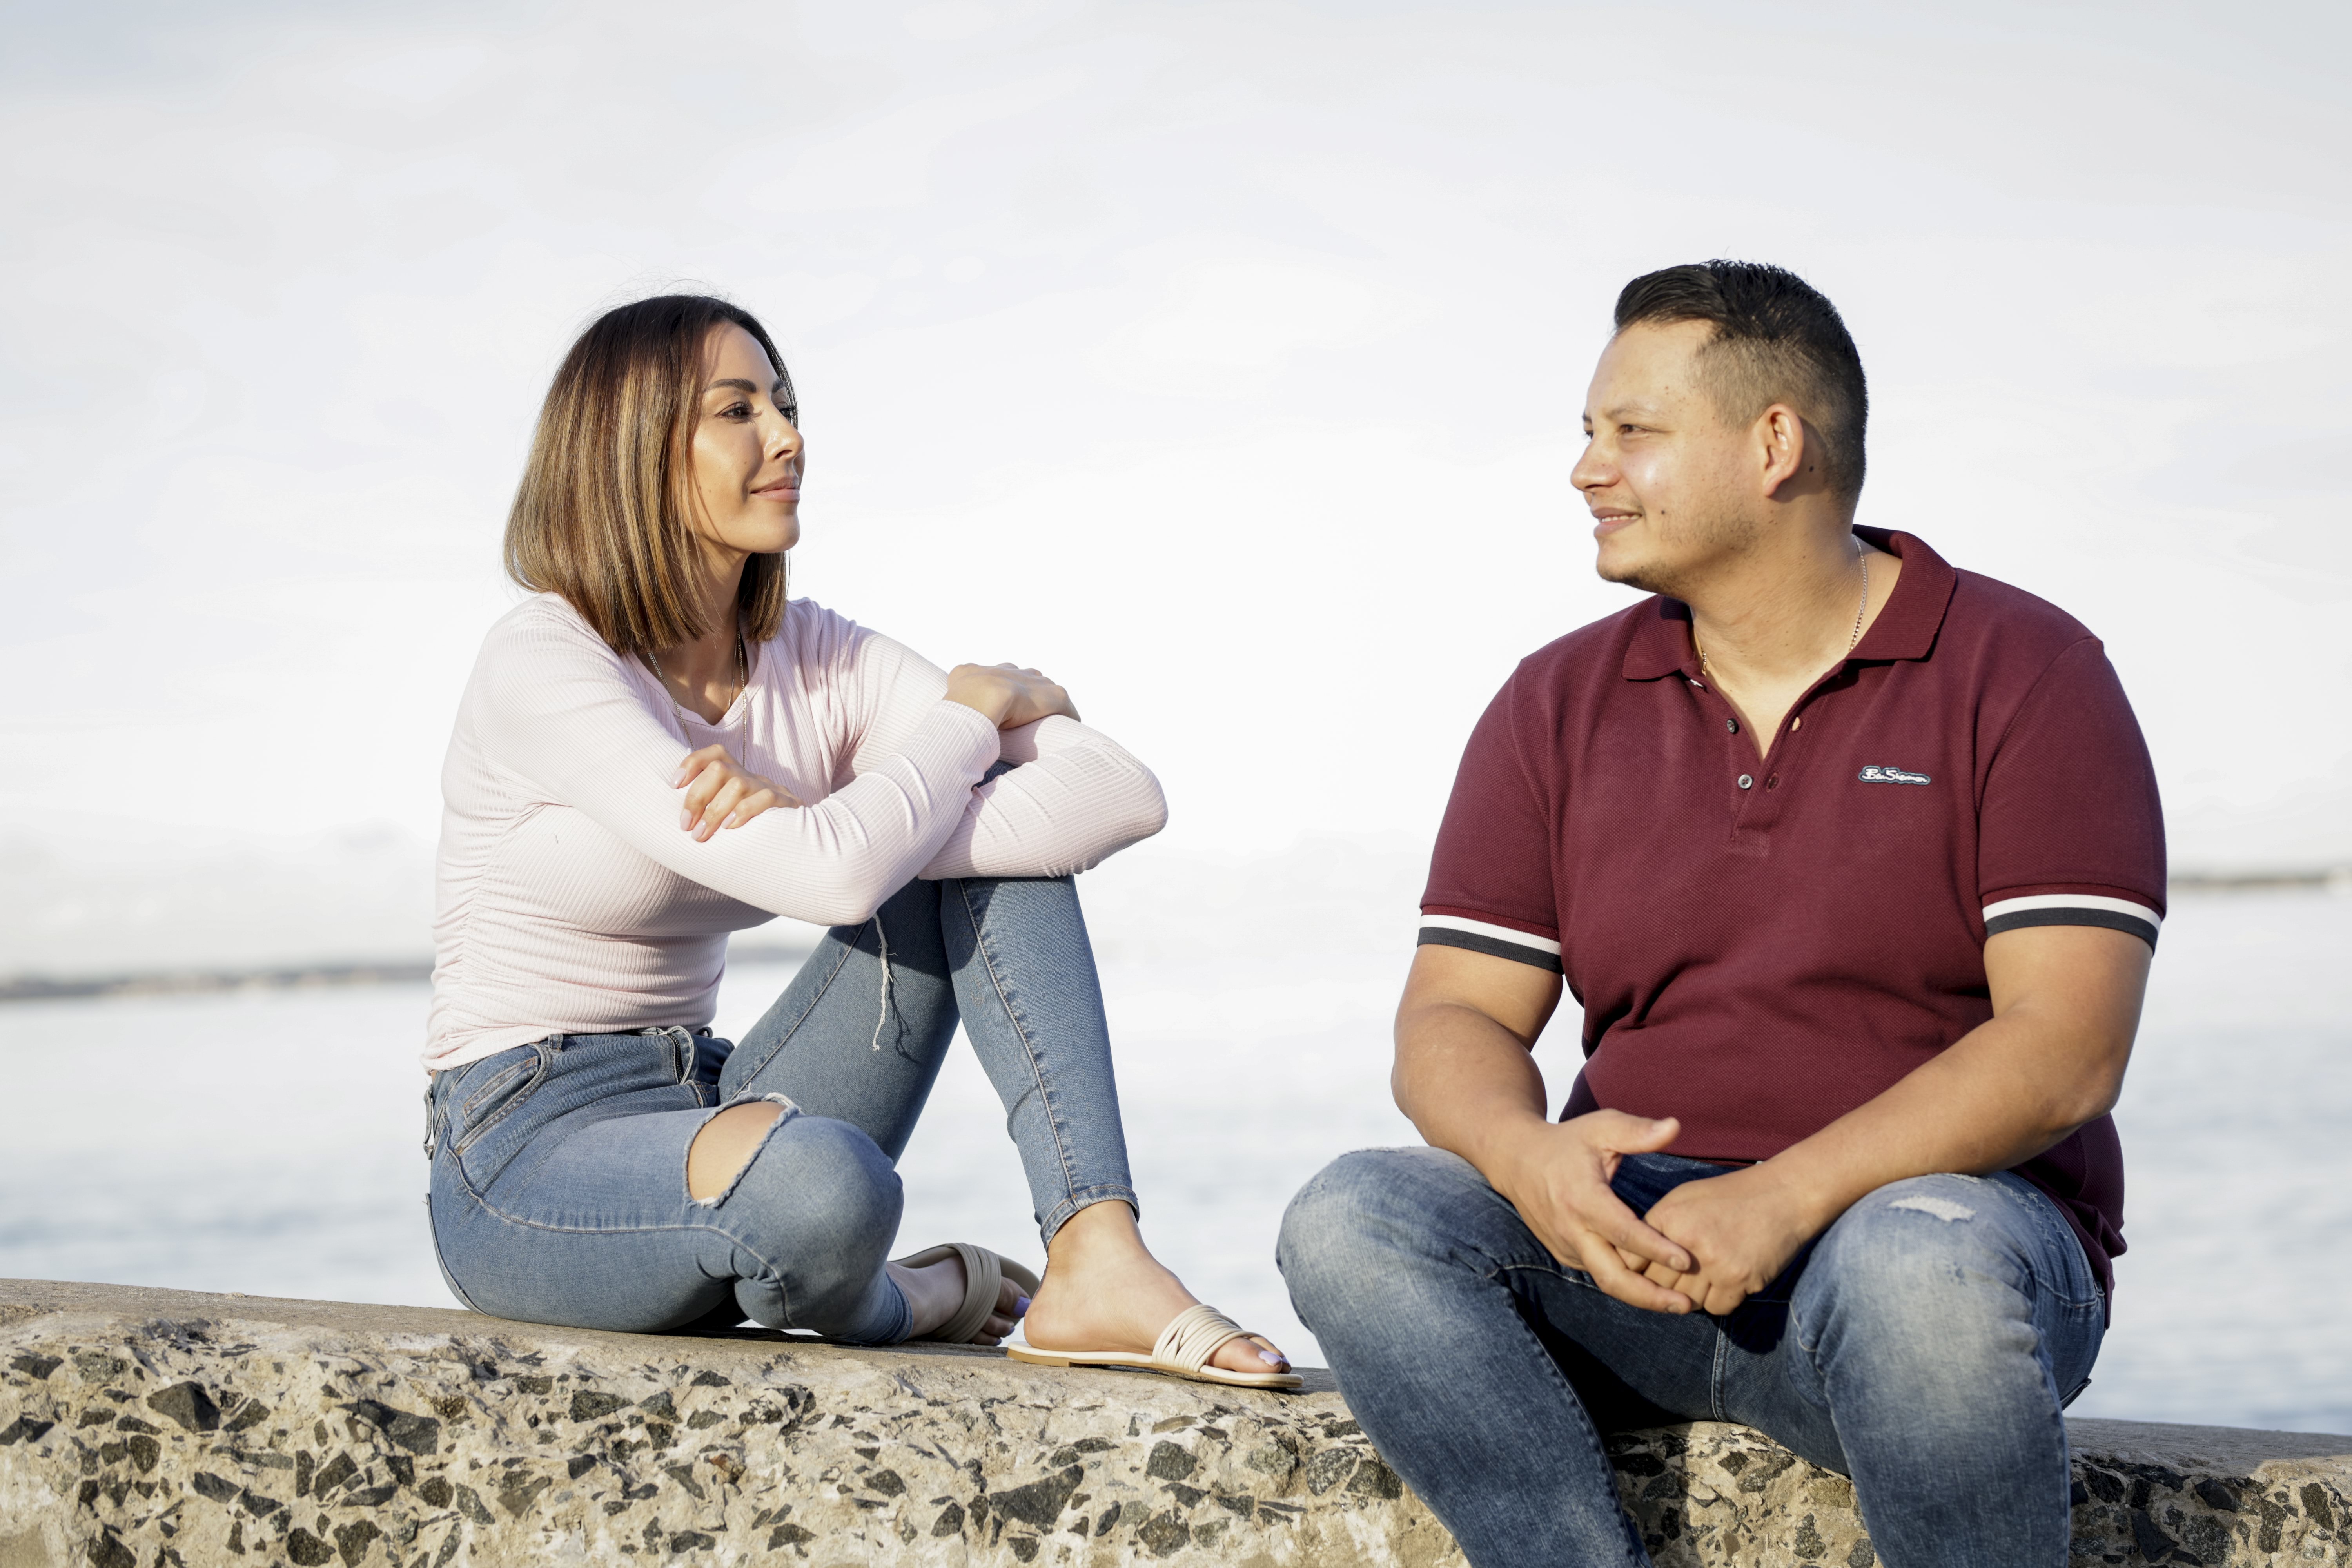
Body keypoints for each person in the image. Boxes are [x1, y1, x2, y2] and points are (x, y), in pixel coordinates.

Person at [1278, 261, 2162, 1564]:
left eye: (1630, 432)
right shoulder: (1557, 700)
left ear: (1774, 445)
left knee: (1918, 1263)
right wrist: (1534, 1165)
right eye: (1588, 433)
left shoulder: (2025, 671)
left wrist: (1788, 1198)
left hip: (1935, 1241)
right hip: (1634, 1247)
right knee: (1354, 1220)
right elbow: (1455, 1014)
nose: (1586, 469)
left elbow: (2067, 1048)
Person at [423, 293, 1295, 1388]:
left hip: (718, 1096)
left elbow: (1119, 794)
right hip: (523, 1148)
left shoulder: (809, 654)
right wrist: (972, 719)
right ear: (630, 451)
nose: (788, 436)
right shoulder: (546, 663)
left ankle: (1095, 1251)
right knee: (823, 1191)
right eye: (738, 410)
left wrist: (890, 787)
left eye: (783, 405)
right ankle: (904, 1296)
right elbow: (834, 874)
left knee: (982, 855)